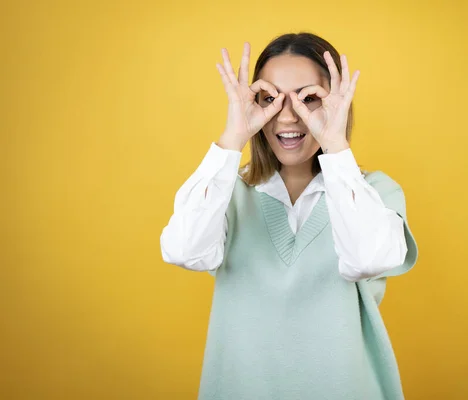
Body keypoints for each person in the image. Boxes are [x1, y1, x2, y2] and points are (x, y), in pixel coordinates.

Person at [160, 32, 418, 400]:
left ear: (336, 104)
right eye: (269, 99)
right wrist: (233, 136)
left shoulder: (375, 193)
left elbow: (368, 259)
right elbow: (183, 249)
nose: (286, 115)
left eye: (308, 98)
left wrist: (335, 144)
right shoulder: (226, 194)